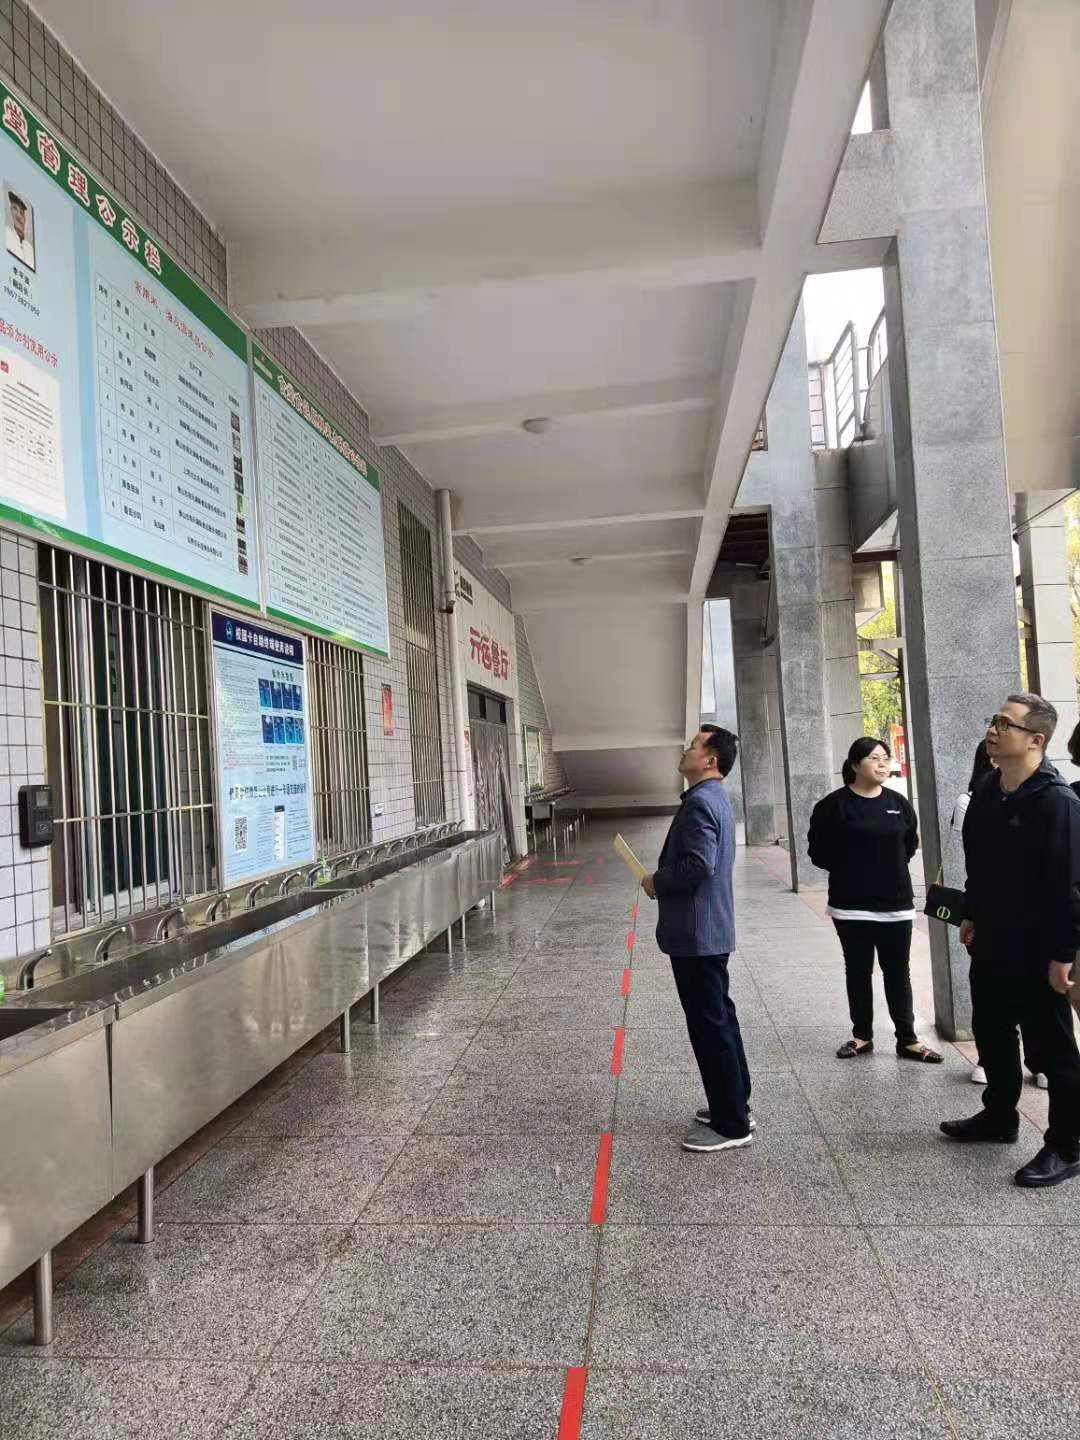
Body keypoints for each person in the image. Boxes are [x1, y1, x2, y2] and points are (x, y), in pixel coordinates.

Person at [940, 695, 1080, 1188]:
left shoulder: (1057, 803)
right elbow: (979, 863)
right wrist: (971, 913)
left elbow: (1068, 886)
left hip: (1038, 949)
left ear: (1036, 740)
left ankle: (1066, 1144)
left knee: (1052, 1050)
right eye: (994, 721)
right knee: (993, 1031)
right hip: (992, 939)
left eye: (1006, 724)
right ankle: (999, 1116)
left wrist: (1063, 954)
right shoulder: (988, 787)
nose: (993, 730)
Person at [641, 725, 751, 1153]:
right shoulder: (713, 798)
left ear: (710, 760)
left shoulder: (701, 803)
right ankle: (735, 1103)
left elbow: (698, 866)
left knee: (710, 1026)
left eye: (693, 746)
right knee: (720, 1018)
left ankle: (731, 1124)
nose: (685, 751)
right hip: (711, 929)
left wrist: (657, 881)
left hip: (697, 932)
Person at [808, 736, 943, 1064]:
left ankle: (908, 1040)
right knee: (858, 970)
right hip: (850, 905)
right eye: (874, 758)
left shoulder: (899, 803)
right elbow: (818, 851)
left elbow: (909, 845)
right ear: (855, 764)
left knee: (898, 971)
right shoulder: (833, 806)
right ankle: (862, 1036)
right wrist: (852, 869)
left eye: (886, 758)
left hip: (895, 904)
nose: (882, 764)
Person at [954, 742, 995, 1085]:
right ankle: (988, 1058)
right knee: (988, 992)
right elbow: (975, 864)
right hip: (988, 910)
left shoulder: (1051, 798)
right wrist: (970, 912)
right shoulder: (971, 801)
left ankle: (1041, 1061)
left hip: (1035, 916)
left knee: (1039, 995)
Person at [5, 190, 34, 270]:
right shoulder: (6, 234)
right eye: (15, 209)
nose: (19, 216)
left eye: (21, 213)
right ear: (11, 211)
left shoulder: (30, 249)